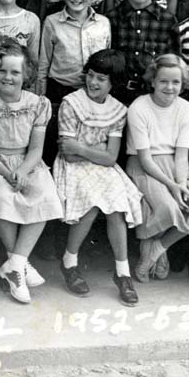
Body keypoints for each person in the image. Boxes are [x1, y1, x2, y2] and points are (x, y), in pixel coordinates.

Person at [0, 43, 63, 304]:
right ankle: (19, 264)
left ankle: (15, 263)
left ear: (26, 75)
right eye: (2, 71)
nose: (7, 77)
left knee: (44, 195)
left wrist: (21, 170)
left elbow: (36, 149)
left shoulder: (37, 104)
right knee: (0, 196)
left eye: (15, 73)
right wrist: (8, 173)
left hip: (27, 162)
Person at [52, 49, 142, 306]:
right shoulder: (72, 103)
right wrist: (95, 152)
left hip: (104, 170)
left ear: (113, 83)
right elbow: (68, 155)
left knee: (115, 206)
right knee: (91, 203)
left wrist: (82, 148)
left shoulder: (118, 111)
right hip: (74, 169)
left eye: (101, 79)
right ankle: (69, 262)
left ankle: (122, 272)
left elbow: (111, 158)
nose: (93, 82)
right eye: (91, 76)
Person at [124, 54, 189, 283]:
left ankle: (157, 248)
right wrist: (173, 187)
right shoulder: (139, 107)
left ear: (183, 83)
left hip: (176, 165)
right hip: (145, 165)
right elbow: (145, 159)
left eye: (176, 82)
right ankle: (153, 248)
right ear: (153, 81)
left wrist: (182, 185)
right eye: (164, 81)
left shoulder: (186, 109)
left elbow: (182, 154)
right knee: (167, 207)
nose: (169, 87)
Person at [108, 0, 178, 105]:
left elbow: (172, 63)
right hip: (116, 97)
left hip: (152, 98)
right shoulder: (112, 19)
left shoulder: (167, 21)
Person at [37, 0, 110, 100]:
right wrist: (40, 98)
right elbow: (43, 65)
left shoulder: (103, 24)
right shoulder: (52, 23)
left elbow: (106, 66)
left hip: (92, 92)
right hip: (59, 90)